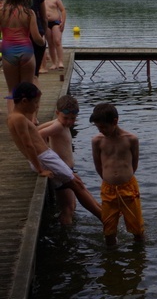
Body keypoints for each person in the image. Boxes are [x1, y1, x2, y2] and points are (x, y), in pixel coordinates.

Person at [7, 82, 101, 222]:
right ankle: (105, 218)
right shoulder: (20, 118)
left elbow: (33, 135)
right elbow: (28, 145)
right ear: (24, 101)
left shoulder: (13, 117)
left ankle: (102, 213)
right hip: (45, 158)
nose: (37, 106)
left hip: (45, 157)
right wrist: (40, 169)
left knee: (77, 183)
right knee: (77, 185)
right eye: (36, 103)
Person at [91, 103, 145, 246]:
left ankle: (138, 257)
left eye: (104, 127)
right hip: (108, 189)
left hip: (128, 187)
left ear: (115, 121)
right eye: (98, 128)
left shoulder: (130, 139)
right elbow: (98, 165)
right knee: (108, 230)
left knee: (137, 228)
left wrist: (124, 177)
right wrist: (109, 179)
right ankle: (111, 257)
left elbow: (134, 164)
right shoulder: (98, 141)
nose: (101, 131)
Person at [0, 0, 46, 114]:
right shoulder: (29, 13)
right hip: (26, 52)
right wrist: (43, 42)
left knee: (12, 90)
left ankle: (13, 121)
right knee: (27, 91)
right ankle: (27, 122)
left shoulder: (1, 12)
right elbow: (36, 37)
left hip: (8, 52)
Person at [38, 95, 81, 225]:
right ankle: (66, 234)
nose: (69, 122)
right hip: (61, 172)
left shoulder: (58, 123)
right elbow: (38, 135)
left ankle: (65, 225)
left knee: (71, 205)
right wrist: (46, 153)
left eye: (73, 119)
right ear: (57, 113)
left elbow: (36, 130)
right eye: (66, 118)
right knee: (67, 208)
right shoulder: (57, 126)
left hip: (66, 170)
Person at [1, 0, 48, 80]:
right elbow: (44, 17)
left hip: (10, 43)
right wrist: (43, 34)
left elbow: (6, 15)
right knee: (34, 77)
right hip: (35, 37)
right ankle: (33, 96)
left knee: (13, 88)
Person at [40, 0, 65, 70]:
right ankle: (54, 63)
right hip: (45, 23)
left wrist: (63, 22)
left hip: (56, 22)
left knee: (57, 41)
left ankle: (60, 61)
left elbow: (62, 10)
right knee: (50, 43)